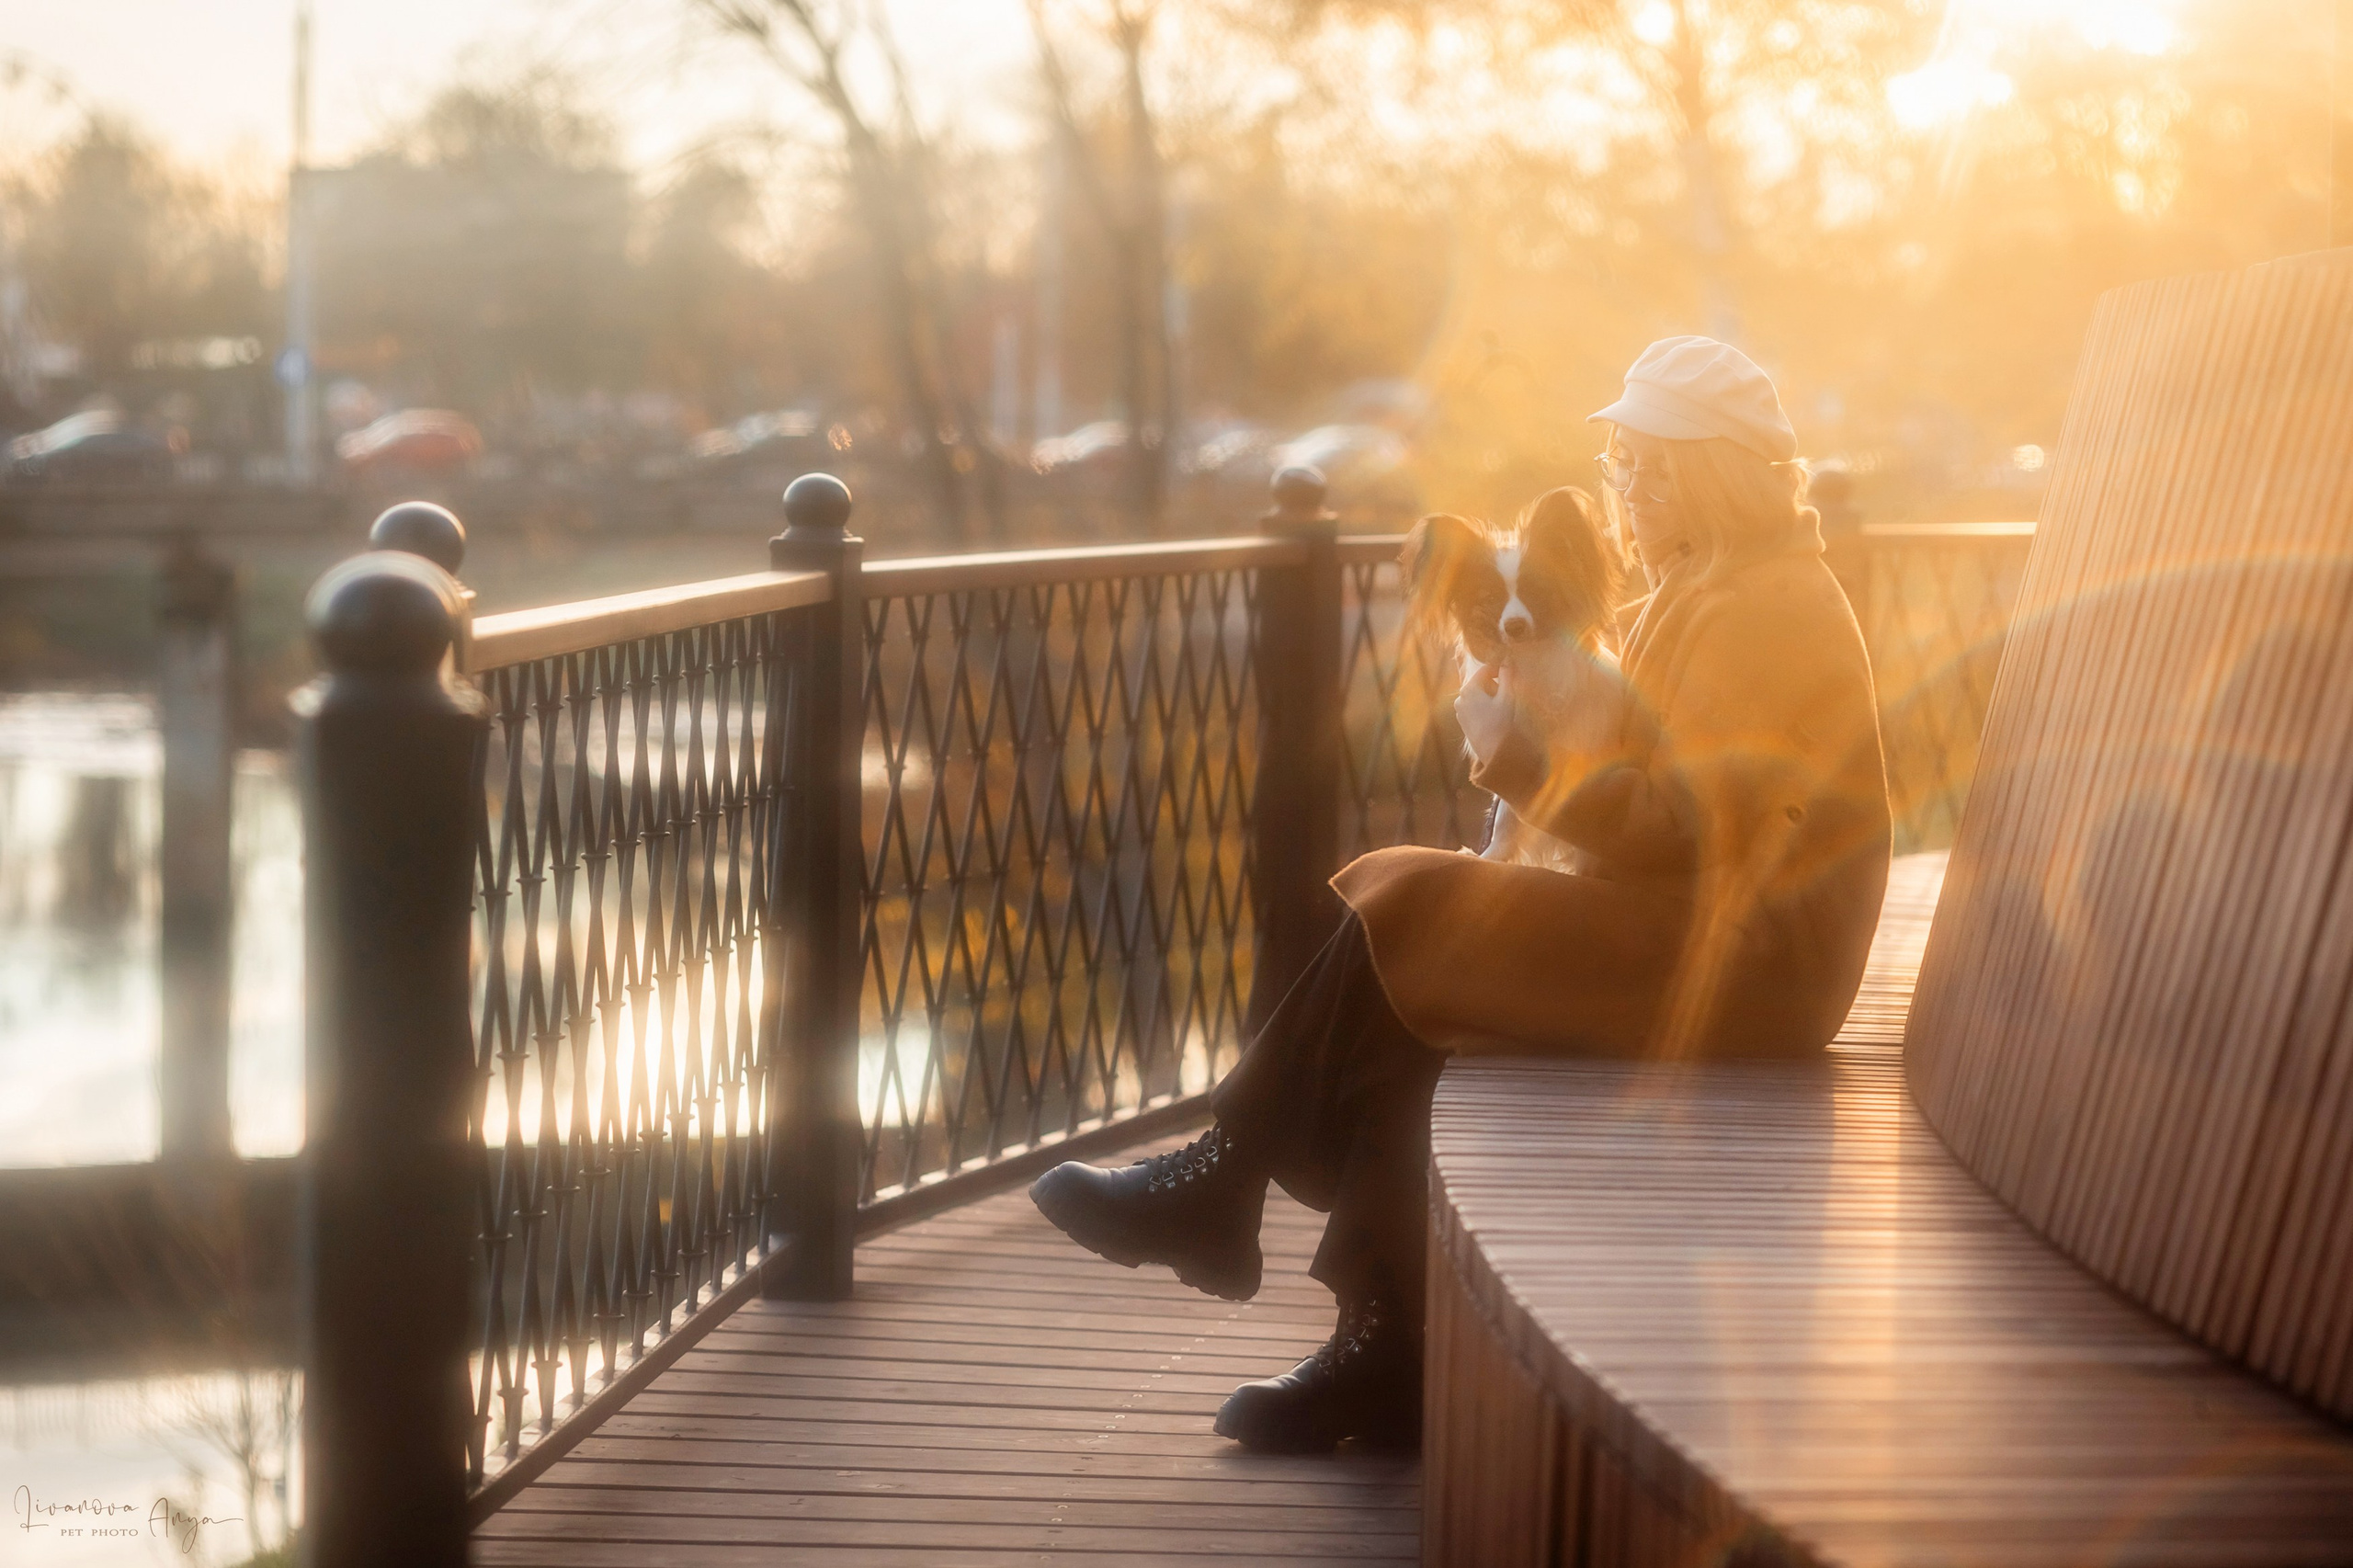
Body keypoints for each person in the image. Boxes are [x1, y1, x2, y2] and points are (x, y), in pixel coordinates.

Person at [1029, 336, 1893, 1453]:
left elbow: (1692, 825)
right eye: (1623, 462)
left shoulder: (1763, 605)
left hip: (1749, 964)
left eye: (1650, 465)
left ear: (1712, 471)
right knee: (1426, 992)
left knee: (1421, 902)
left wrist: (1520, 761)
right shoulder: (1714, 581)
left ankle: (1224, 1183)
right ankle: (1373, 1340)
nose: (1628, 488)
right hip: (1703, 934)